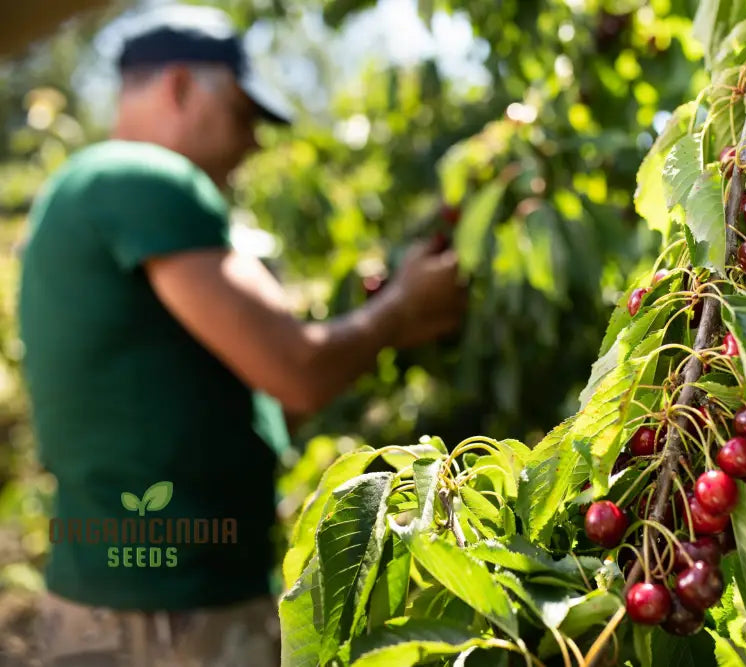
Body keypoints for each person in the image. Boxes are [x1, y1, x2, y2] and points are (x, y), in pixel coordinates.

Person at [17, 5, 467, 666]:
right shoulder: (146, 179)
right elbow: (297, 372)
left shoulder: (84, 192)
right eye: (242, 115)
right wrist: (399, 310)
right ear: (178, 87)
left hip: (109, 600)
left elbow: (260, 392)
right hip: (172, 618)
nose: (253, 142)